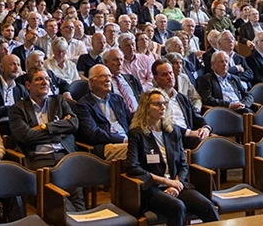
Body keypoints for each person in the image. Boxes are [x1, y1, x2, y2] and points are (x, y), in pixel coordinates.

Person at [125, 88, 219, 226]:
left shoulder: (173, 131)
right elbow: (132, 167)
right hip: (152, 189)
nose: (162, 107)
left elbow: (183, 164)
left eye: (165, 103)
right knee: (177, 207)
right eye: (157, 104)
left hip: (177, 185)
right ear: (146, 108)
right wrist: (166, 182)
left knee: (207, 205)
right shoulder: (137, 134)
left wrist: (176, 184)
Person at [75, 64, 131, 160]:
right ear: (92, 82)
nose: (108, 80)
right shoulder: (83, 105)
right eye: (103, 76)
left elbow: (131, 122)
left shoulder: (117, 99)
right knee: (135, 150)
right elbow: (93, 134)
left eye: (109, 76)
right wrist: (122, 140)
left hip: (127, 141)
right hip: (105, 146)